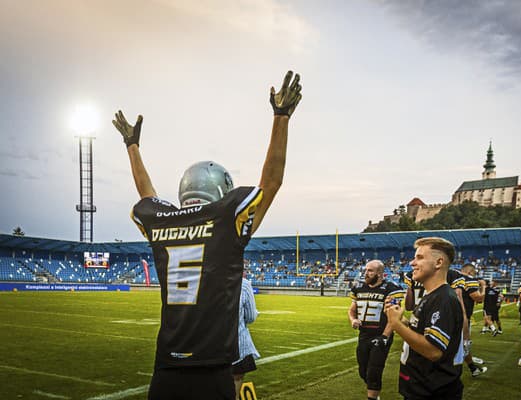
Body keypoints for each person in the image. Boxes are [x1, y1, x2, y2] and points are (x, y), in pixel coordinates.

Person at [113, 70, 302, 400]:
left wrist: (132, 146)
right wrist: (281, 117)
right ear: (221, 188)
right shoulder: (227, 218)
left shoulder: (162, 220)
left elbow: (146, 194)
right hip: (213, 368)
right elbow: (271, 183)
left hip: (166, 368)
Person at [385, 237, 464, 399]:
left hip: (432, 391)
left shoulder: (443, 298)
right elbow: (421, 331)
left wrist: (395, 324)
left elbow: (433, 351)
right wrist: (402, 320)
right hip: (421, 386)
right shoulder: (433, 295)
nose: (412, 263)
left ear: (438, 262)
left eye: (419, 257)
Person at [348, 260, 404, 400]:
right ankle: (374, 392)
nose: (366, 273)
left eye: (370, 271)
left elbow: (394, 316)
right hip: (364, 335)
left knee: (374, 371)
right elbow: (352, 310)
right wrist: (353, 320)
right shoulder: (359, 287)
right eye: (366, 270)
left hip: (381, 335)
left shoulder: (390, 289)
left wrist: (384, 337)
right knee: (363, 371)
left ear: (380, 274)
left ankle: (373, 396)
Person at [232, 275, 260, 399]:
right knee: (236, 378)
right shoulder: (243, 284)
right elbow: (250, 317)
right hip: (237, 343)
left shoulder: (206, 280)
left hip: (209, 342)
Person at [459, 263, 488, 376]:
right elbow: (479, 298)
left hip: (449, 315)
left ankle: (473, 368)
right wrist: (483, 286)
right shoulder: (469, 279)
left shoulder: (453, 277)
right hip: (463, 317)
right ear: (470, 272)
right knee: (464, 345)